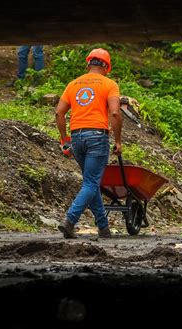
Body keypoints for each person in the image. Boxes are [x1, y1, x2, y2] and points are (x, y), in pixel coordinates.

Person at [55, 48, 122, 239]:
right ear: (106, 67)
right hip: (97, 137)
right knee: (91, 182)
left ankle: (103, 227)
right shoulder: (110, 84)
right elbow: (115, 113)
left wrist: (64, 139)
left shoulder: (73, 84)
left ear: (88, 63)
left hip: (77, 138)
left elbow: (59, 112)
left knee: (90, 183)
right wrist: (117, 141)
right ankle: (70, 220)